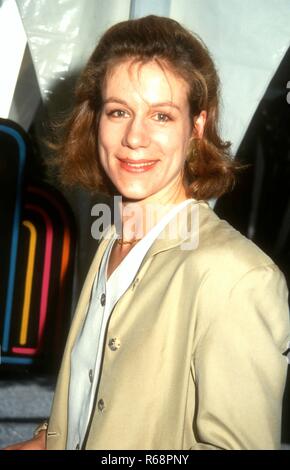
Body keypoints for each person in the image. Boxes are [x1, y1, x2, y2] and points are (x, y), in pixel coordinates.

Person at [5, 15, 289, 451]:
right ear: (95, 119)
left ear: (195, 129)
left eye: (161, 115)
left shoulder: (237, 277)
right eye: (118, 111)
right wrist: (48, 440)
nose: (135, 137)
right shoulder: (112, 240)